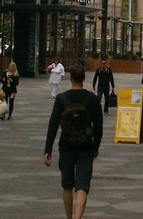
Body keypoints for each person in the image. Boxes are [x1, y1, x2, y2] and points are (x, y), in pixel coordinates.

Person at [44, 64, 103, 219]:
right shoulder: (92, 99)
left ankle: (69, 217)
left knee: (67, 185)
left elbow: (53, 124)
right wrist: (95, 147)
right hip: (85, 146)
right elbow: (98, 126)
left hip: (66, 145)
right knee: (82, 186)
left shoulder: (62, 99)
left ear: (71, 79)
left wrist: (48, 150)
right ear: (84, 78)